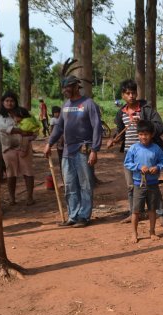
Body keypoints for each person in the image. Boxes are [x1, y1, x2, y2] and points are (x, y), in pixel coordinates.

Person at [44, 75, 103, 228]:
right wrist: (49, 143)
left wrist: (95, 150)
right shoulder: (65, 105)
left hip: (84, 150)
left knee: (85, 184)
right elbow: (59, 127)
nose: (65, 90)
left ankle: (84, 216)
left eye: (68, 87)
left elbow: (97, 127)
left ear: (77, 86)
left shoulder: (89, 104)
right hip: (67, 151)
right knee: (70, 184)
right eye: (64, 88)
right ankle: (73, 215)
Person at [108, 79, 163, 226]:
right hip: (131, 154)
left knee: (152, 185)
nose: (131, 96)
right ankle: (134, 212)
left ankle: (160, 214)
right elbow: (120, 132)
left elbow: (160, 127)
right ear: (123, 95)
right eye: (127, 93)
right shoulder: (121, 113)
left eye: (133, 92)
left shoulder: (146, 110)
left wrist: (143, 122)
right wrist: (114, 139)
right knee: (131, 186)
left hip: (148, 153)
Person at [124, 120, 163, 244]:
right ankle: (134, 233)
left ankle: (152, 232)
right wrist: (138, 167)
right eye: (141, 134)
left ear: (152, 134)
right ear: (138, 135)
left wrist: (157, 167)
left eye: (146, 134)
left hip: (153, 184)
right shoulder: (133, 148)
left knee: (152, 209)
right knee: (135, 211)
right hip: (138, 184)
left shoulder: (156, 149)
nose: (144, 137)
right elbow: (127, 163)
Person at [0, 92, 37, 206]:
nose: (9, 103)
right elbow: (1, 127)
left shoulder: (23, 112)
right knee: (10, 173)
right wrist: (19, 131)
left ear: (15, 102)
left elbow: (34, 124)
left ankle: (29, 197)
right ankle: (12, 198)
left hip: (25, 146)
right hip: (8, 147)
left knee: (28, 171)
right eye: (7, 101)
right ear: (3, 102)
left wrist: (31, 136)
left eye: (11, 101)